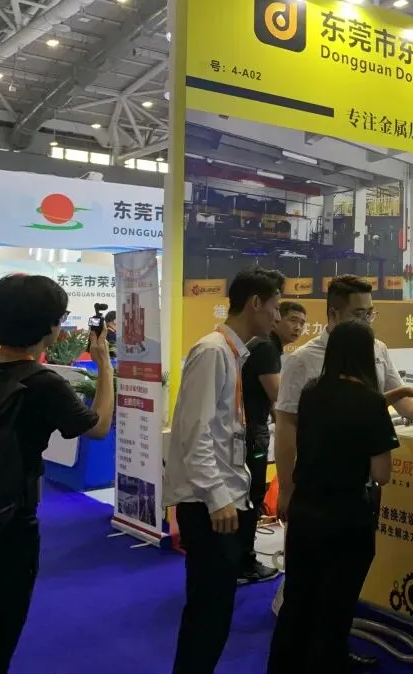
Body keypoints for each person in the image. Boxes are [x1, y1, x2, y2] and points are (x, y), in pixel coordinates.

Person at [273, 275, 413, 668]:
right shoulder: (303, 361)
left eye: (370, 313)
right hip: (332, 497)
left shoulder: (372, 353)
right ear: (333, 314)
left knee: (332, 592)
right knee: (312, 592)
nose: (367, 322)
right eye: (359, 314)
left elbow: (385, 397)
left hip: (333, 497)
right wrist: (286, 488)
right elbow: (287, 427)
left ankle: (324, 654)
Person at [0, 274, 115, 673]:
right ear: (50, 328)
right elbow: (98, 427)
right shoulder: (43, 383)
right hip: (9, 524)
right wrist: (105, 366)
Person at [165, 267, 285, 674]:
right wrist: (218, 498)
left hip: (224, 498)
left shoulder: (232, 353)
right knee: (208, 611)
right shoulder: (213, 352)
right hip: (208, 505)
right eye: (274, 307)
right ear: (255, 303)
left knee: (216, 609)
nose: (277, 317)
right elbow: (193, 433)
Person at [267, 321, 399, 673]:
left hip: (306, 511)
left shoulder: (311, 393)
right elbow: (381, 473)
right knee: (336, 608)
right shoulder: (371, 403)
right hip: (347, 517)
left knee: (298, 600)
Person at [237, 301, 308, 586]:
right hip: (251, 431)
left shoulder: (265, 346)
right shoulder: (267, 348)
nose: (298, 327)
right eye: (293, 320)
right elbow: (280, 397)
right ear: (277, 319)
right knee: (251, 495)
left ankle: (240, 558)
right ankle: (244, 562)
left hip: (248, 429)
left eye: (302, 323)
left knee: (248, 494)